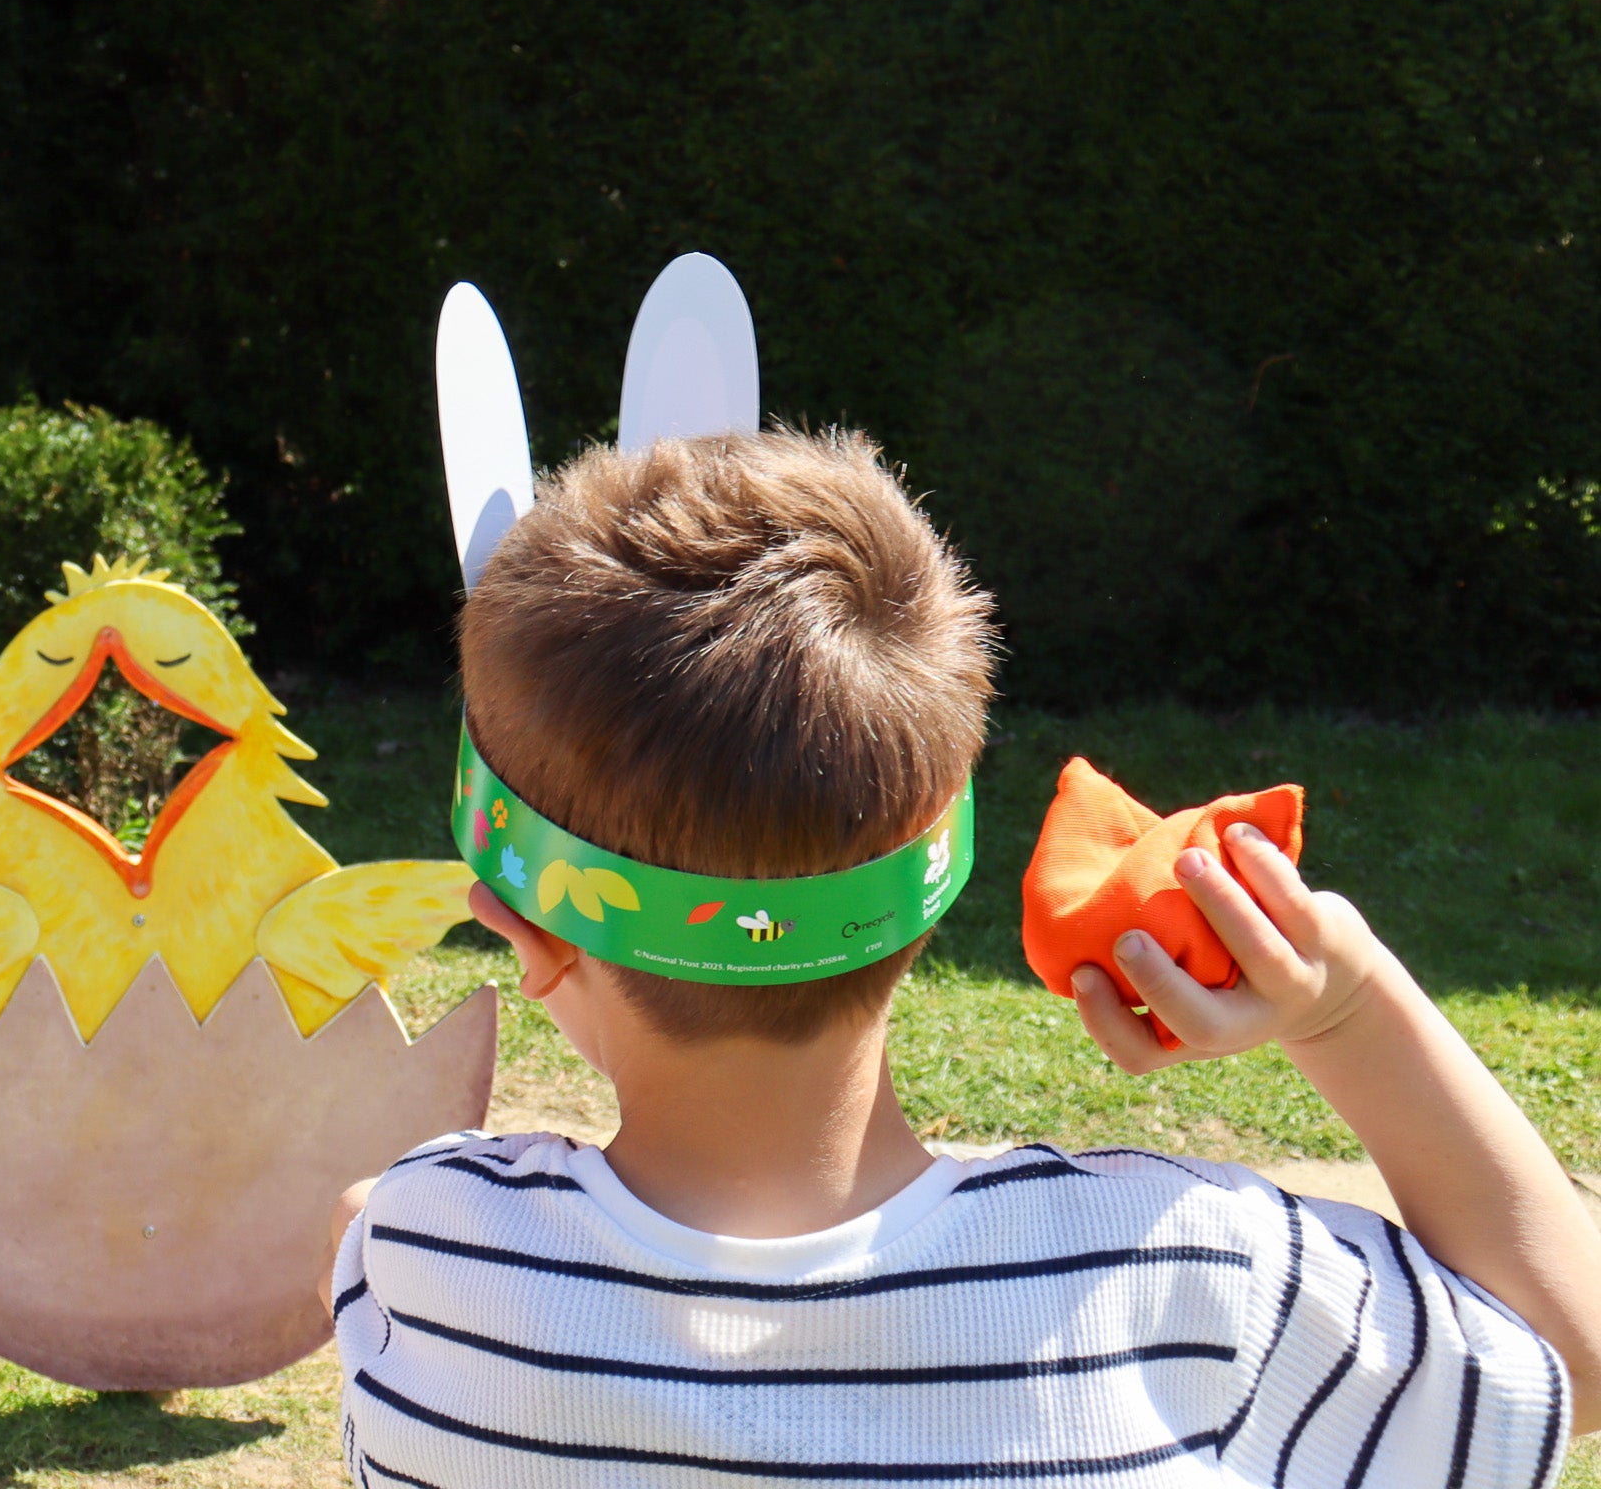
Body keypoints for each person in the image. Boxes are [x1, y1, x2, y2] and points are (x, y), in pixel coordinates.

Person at [333, 429, 1599, 1485]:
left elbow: (368, 1219)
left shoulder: (434, 1262)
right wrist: (1351, 1006)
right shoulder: (1187, 1287)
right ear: (941, 883)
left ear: (522, 922)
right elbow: (1571, 1350)